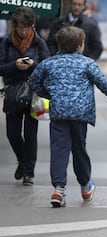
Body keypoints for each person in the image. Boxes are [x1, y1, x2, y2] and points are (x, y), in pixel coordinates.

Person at [28, 26, 107, 208]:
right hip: (80, 113)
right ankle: (85, 185)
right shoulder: (87, 64)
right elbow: (105, 85)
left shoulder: (49, 63)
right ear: (80, 46)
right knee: (79, 149)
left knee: (59, 150)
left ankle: (59, 190)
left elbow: (33, 82)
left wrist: (49, 94)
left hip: (59, 112)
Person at [0, 7, 50, 186]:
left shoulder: (39, 43)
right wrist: (15, 65)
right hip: (13, 92)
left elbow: (47, 68)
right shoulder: (5, 42)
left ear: (32, 27)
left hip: (35, 93)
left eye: (25, 28)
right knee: (12, 134)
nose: (21, 32)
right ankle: (22, 160)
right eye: (18, 27)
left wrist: (32, 65)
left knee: (31, 134)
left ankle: (29, 172)